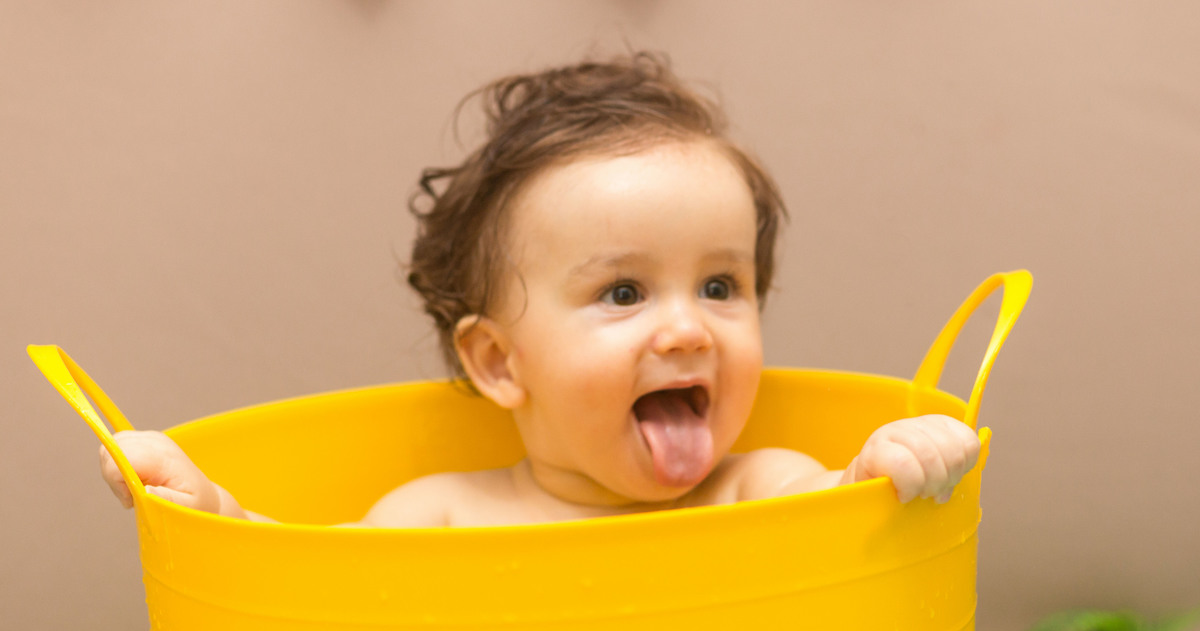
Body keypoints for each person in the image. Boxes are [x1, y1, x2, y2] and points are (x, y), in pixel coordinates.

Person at [100, 52, 979, 527]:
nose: (687, 330)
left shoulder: (762, 491)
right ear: (497, 361)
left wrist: (890, 463)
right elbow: (293, 597)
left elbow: (843, 517)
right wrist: (202, 506)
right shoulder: (441, 517)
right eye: (625, 294)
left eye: (721, 284)